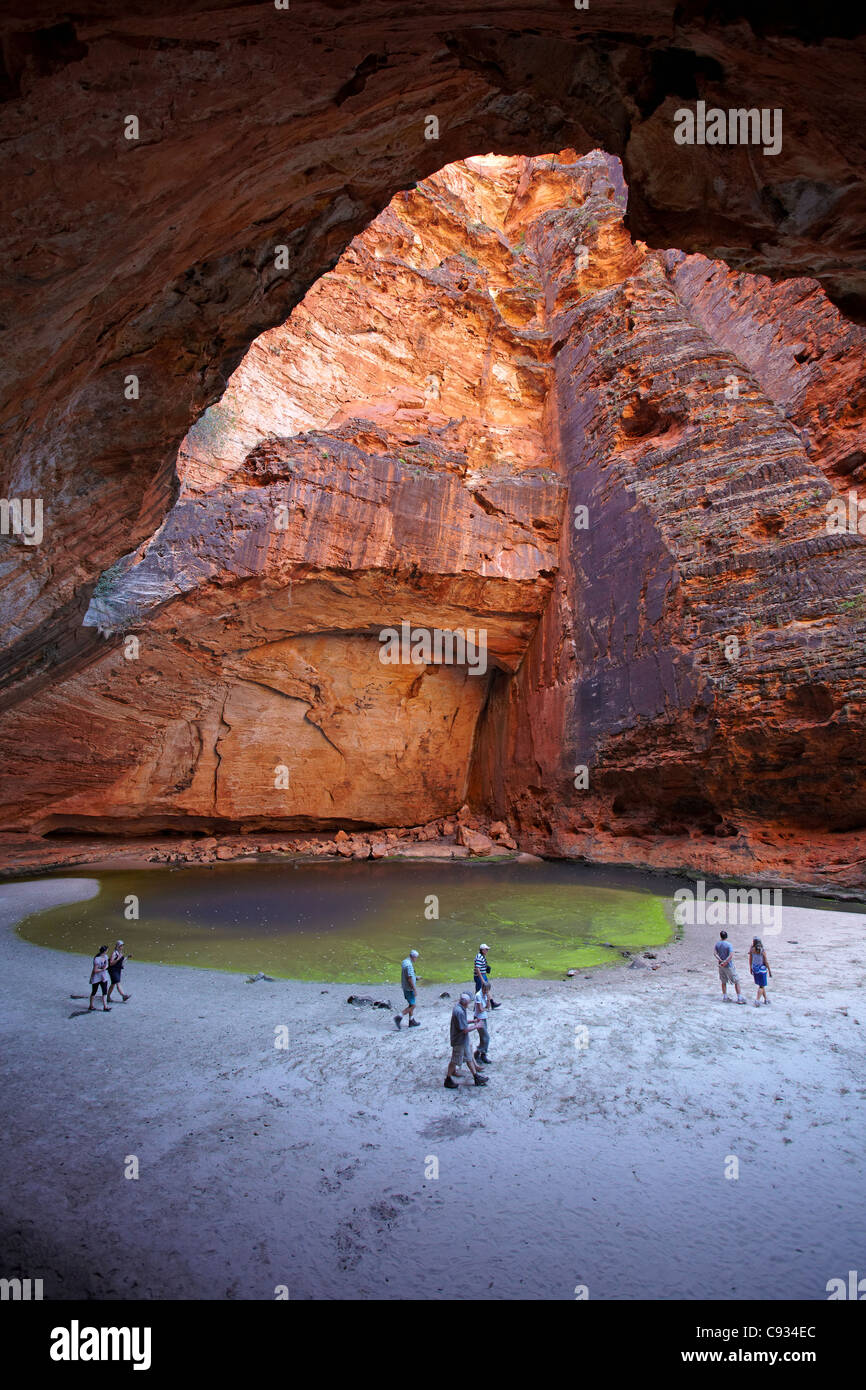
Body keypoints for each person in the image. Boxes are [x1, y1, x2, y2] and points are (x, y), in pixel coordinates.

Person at [444, 992, 487, 1089]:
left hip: (463, 1040)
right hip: (459, 1041)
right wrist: (477, 1026)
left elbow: (462, 1022)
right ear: (465, 1002)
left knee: (469, 1057)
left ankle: (476, 1077)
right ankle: (448, 1079)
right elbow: (464, 1029)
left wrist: (472, 1021)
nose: (469, 1004)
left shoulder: (459, 1008)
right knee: (454, 1060)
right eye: (468, 1002)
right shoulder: (459, 1011)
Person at [714, 929, 746, 1004]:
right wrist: (725, 962)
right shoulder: (728, 945)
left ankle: (725, 996)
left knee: (723, 981)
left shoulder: (717, 944)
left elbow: (715, 954)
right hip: (728, 965)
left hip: (721, 965)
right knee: (736, 981)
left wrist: (721, 961)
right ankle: (739, 998)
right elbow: (731, 955)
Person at [395, 949, 420, 1029]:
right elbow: (409, 978)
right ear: (413, 957)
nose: (416, 959)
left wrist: (415, 978)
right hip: (409, 989)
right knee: (413, 1005)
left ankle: (411, 1021)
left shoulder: (405, 962)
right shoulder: (409, 965)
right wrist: (414, 989)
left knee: (410, 1004)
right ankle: (399, 1017)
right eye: (416, 958)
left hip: (405, 987)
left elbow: (409, 976)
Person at [473, 942, 501, 1009]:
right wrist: (482, 979)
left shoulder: (482, 956)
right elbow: (477, 969)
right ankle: (477, 1006)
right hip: (480, 976)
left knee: (487, 989)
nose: (487, 951)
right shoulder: (479, 957)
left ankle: (492, 1003)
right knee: (479, 991)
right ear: (482, 950)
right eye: (486, 949)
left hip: (483, 975)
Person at [749, 937, 772, 1006]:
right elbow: (766, 961)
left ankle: (766, 999)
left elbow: (750, 959)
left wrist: (750, 968)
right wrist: (770, 971)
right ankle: (757, 1000)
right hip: (762, 970)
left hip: (755, 969)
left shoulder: (752, 950)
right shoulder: (762, 950)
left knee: (761, 985)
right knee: (761, 986)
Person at [88, 945, 111, 1012]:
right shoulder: (97, 959)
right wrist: (102, 969)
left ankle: (105, 1006)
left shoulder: (105, 957)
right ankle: (91, 1005)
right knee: (94, 991)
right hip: (97, 977)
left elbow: (107, 964)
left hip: (103, 976)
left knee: (104, 991)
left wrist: (105, 967)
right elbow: (95, 970)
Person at [473, 983, 490, 1066]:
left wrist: (488, 999)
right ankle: (476, 1053)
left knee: (483, 1038)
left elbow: (488, 1006)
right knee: (486, 1038)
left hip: (484, 1018)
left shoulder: (485, 995)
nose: (485, 992)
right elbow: (480, 1009)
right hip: (479, 1018)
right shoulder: (478, 995)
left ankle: (483, 1055)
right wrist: (485, 1008)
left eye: (487, 990)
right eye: (484, 990)